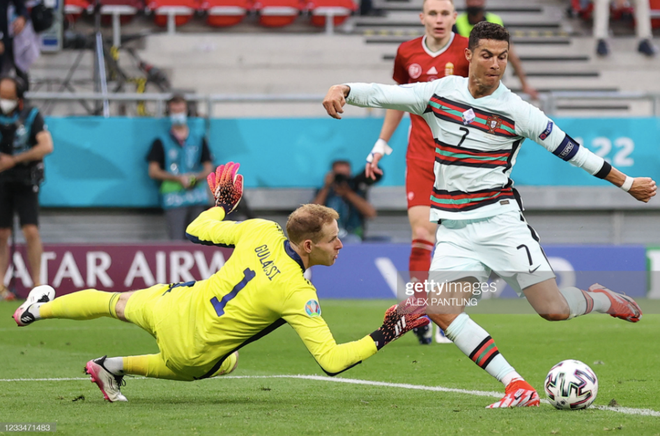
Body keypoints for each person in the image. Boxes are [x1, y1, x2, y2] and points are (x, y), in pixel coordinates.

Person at [322, 21, 656, 408]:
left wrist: (626, 182)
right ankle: (516, 385)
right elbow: (387, 94)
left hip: (500, 223)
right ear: (468, 56)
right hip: (453, 229)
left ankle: (601, 299)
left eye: (502, 57)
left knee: (553, 310)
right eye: (486, 55)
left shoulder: (517, 110)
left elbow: (572, 150)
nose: (495, 64)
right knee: (441, 309)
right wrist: (343, 88)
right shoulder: (439, 93)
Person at [13, 162, 428, 402]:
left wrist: (221, 206)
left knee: (111, 302)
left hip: (173, 305)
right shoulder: (298, 293)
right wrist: (385, 333)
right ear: (307, 245)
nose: (341, 243)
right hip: (192, 352)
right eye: (333, 238)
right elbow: (333, 362)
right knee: (223, 361)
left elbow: (197, 229)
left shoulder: (261, 230)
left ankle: (37, 308)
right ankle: (112, 366)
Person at [367, 0, 468, 345]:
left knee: (458, 240)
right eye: (433, 13)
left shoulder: (470, 52)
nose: (439, 20)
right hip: (422, 158)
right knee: (423, 232)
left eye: (445, 14)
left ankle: (447, 313)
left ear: (455, 18)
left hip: (462, 161)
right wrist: (380, 145)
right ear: (422, 18)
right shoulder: (407, 53)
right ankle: (419, 311)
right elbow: (397, 100)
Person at [0, 75, 53, 300]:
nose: (5, 101)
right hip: (1, 179)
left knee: (30, 230)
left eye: (9, 97)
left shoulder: (32, 115)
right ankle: (0, 286)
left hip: (25, 179)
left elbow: (46, 145)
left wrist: (15, 159)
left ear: (19, 98)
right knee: (2, 233)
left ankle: (38, 284)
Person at [146, 94, 213, 240]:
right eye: (174, 111)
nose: (178, 114)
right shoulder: (161, 141)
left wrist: (195, 178)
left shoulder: (198, 139)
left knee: (199, 239)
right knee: (176, 241)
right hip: (173, 198)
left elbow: (208, 168)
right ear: (169, 113)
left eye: (181, 110)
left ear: (187, 112)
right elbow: (153, 171)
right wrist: (177, 178)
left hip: (196, 197)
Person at [454, 0, 539, 100]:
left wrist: (524, 84)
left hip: (491, 86)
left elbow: (511, 55)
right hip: (465, 82)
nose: (474, 3)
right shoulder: (457, 23)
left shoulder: (495, 20)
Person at [312, 159, 377, 243]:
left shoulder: (357, 191)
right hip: (328, 235)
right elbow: (312, 213)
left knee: (353, 240)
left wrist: (347, 193)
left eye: (345, 175)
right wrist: (326, 187)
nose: (341, 179)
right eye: (339, 175)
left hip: (352, 234)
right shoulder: (325, 191)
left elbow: (371, 214)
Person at [0, 0, 29, 84]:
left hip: (12, 37)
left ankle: (21, 94)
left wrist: (22, 18)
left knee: (21, 72)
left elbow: (21, 8)